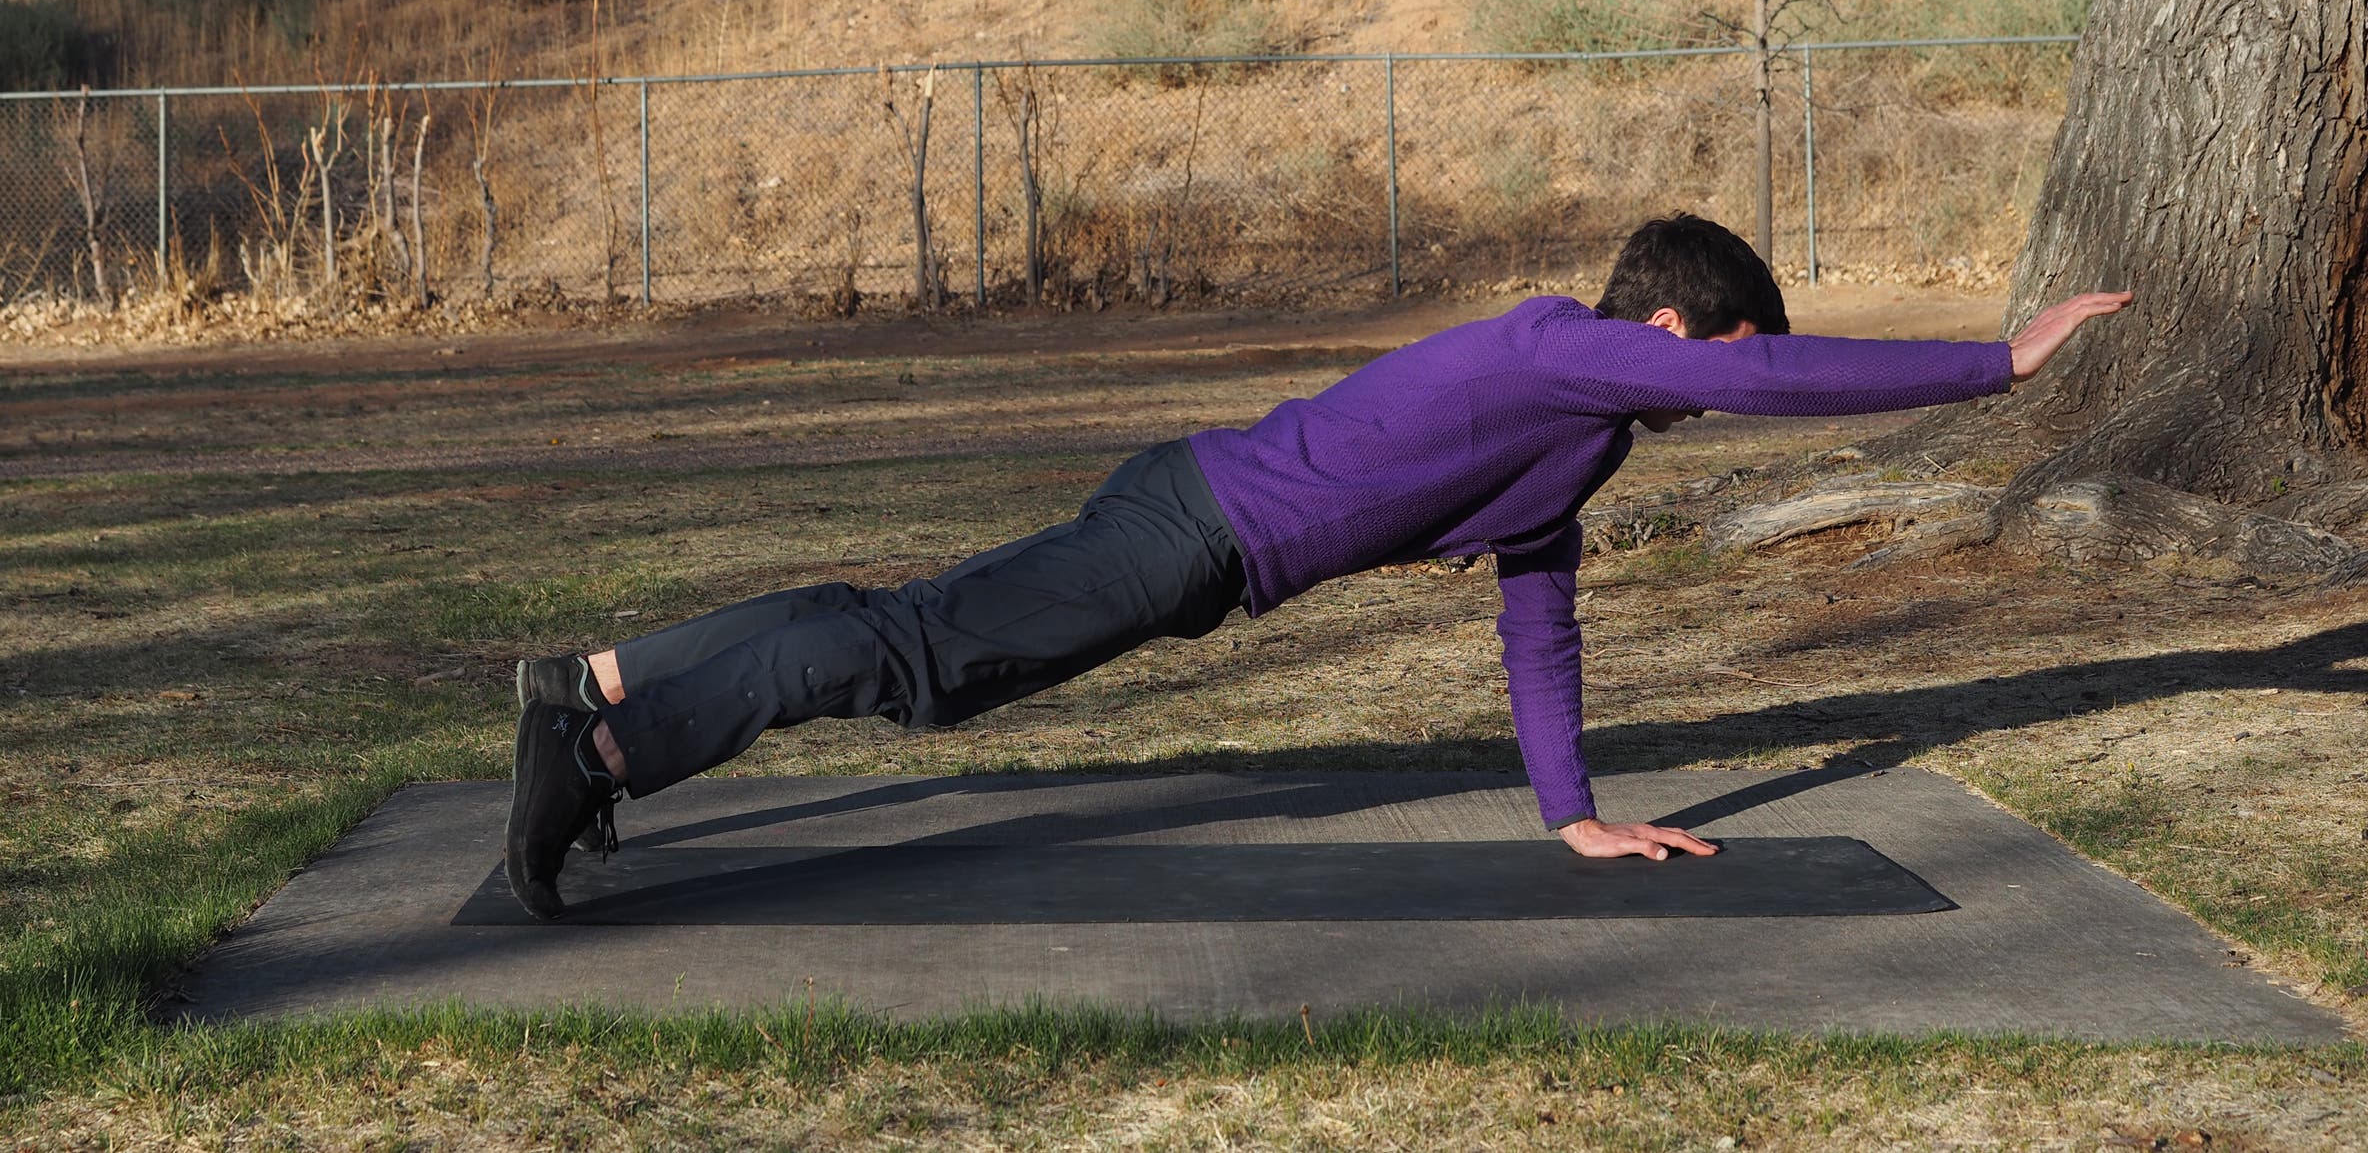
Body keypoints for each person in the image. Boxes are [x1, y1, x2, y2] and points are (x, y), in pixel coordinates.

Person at [503, 212, 2131, 919]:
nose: (1718, 393)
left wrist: (1571, 813)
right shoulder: (1565, 349)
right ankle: (600, 749)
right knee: (913, 663)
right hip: (1187, 532)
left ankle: (601, 681)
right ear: (1670, 332)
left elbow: (1540, 620)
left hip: (1190, 528)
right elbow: (1768, 382)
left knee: (900, 627)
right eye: (1716, 361)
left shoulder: (1573, 434)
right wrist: (1997, 364)